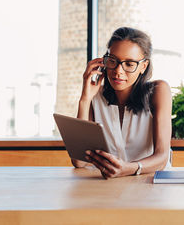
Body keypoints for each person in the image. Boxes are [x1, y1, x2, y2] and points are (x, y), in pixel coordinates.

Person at [72, 27, 172, 179]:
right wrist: (85, 99)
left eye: (129, 64)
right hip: (109, 189)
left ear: (143, 66)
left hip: (151, 186)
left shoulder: (158, 91)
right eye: (113, 61)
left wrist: (129, 168)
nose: (118, 71)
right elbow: (79, 162)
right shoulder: (95, 95)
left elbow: (162, 157)